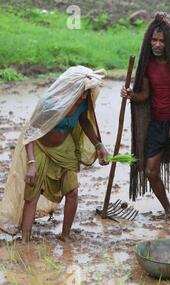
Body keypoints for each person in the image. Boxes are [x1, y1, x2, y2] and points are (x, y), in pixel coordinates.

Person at [0, 66, 110, 241]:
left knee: (73, 192)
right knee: (32, 195)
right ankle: (26, 240)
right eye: (81, 91)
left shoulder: (83, 102)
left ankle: (65, 236)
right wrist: (31, 163)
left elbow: (84, 122)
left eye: (86, 92)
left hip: (64, 148)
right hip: (40, 148)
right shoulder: (50, 103)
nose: (83, 96)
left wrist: (98, 144)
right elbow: (30, 132)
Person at [121, 12, 170, 218]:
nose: (157, 44)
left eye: (161, 41)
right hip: (156, 124)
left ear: (169, 43)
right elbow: (145, 95)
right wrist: (130, 95)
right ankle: (168, 210)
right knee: (150, 171)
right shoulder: (148, 65)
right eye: (154, 40)